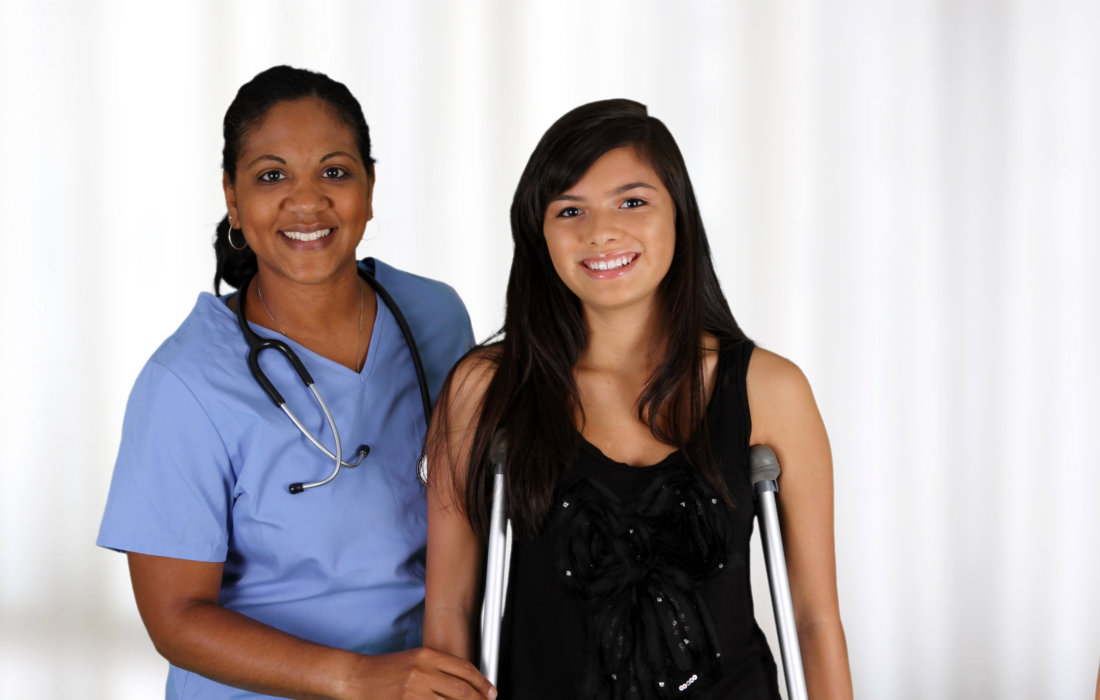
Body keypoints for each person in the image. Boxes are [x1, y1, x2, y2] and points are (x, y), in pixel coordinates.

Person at [423, 99, 853, 699]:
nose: (600, 232)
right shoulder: (486, 388)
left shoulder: (769, 389)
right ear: (537, 233)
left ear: (678, 214)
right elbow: (451, 607)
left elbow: (813, 617)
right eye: (569, 210)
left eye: (632, 202)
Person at [97, 66, 495, 700]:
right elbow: (175, 619)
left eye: (334, 172)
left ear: (370, 188)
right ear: (232, 198)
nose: (307, 202)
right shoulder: (184, 383)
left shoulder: (434, 316)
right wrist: (359, 678)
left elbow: (467, 505)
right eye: (271, 176)